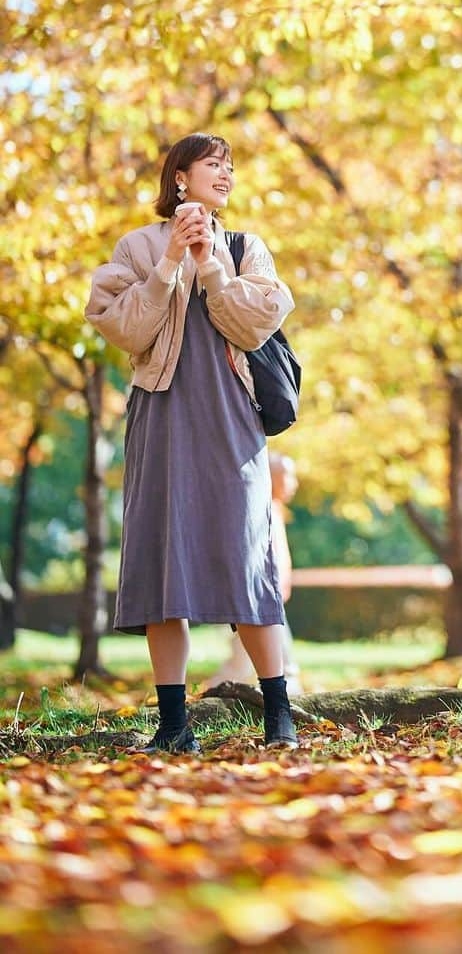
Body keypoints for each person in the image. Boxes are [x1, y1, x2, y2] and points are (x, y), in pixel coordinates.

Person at [85, 132, 299, 752]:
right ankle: (174, 726)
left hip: (232, 420)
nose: (226, 174)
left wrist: (210, 264)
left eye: (230, 166)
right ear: (180, 176)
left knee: (246, 560)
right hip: (161, 418)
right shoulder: (137, 247)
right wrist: (170, 262)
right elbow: (123, 329)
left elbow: (259, 324)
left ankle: (278, 716)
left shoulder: (244, 246)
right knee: (162, 565)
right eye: (214, 164)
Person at [205, 452, 303, 698]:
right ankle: (211, 695)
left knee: (250, 659)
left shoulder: (276, 509)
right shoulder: (254, 507)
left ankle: (213, 694)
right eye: (288, 476)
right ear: (272, 476)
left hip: (269, 597)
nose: (294, 483)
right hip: (254, 599)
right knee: (250, 660)